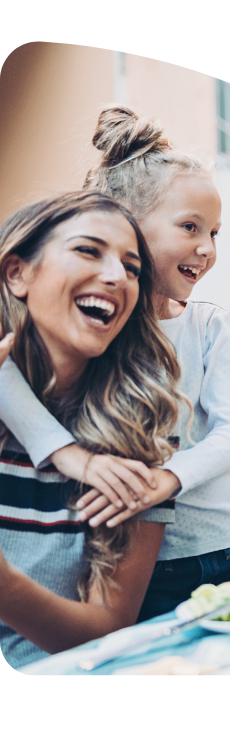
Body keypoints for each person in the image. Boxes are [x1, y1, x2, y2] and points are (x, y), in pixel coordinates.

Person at [0, 107, 230, 621]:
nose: (207, 249)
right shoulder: (94, 335)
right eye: (190, 226)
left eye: (214, 233)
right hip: (154, 562)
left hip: (228, 543)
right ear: (129, 225)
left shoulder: (203, 326)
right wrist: (68, 455)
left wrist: (163, 480)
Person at [0, 192, 182, 668]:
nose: (116, 276)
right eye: (87, 250)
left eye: (132, 267)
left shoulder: (138, 436)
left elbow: (108, 629)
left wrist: (6, 589)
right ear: (17, 273)